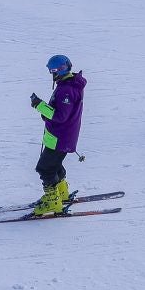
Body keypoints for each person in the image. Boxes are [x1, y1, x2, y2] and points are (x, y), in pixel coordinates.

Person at [30, 55, 85, 216]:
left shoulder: (66, 90)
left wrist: (39, 106)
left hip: (60, 137)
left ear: (57, 71)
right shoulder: (68, 85)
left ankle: (53, 201)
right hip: (61, 136)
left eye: (51, 71)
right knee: (55, 165)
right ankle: (61, 193)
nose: (50, 74)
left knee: (45, 168)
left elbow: (60, 116)